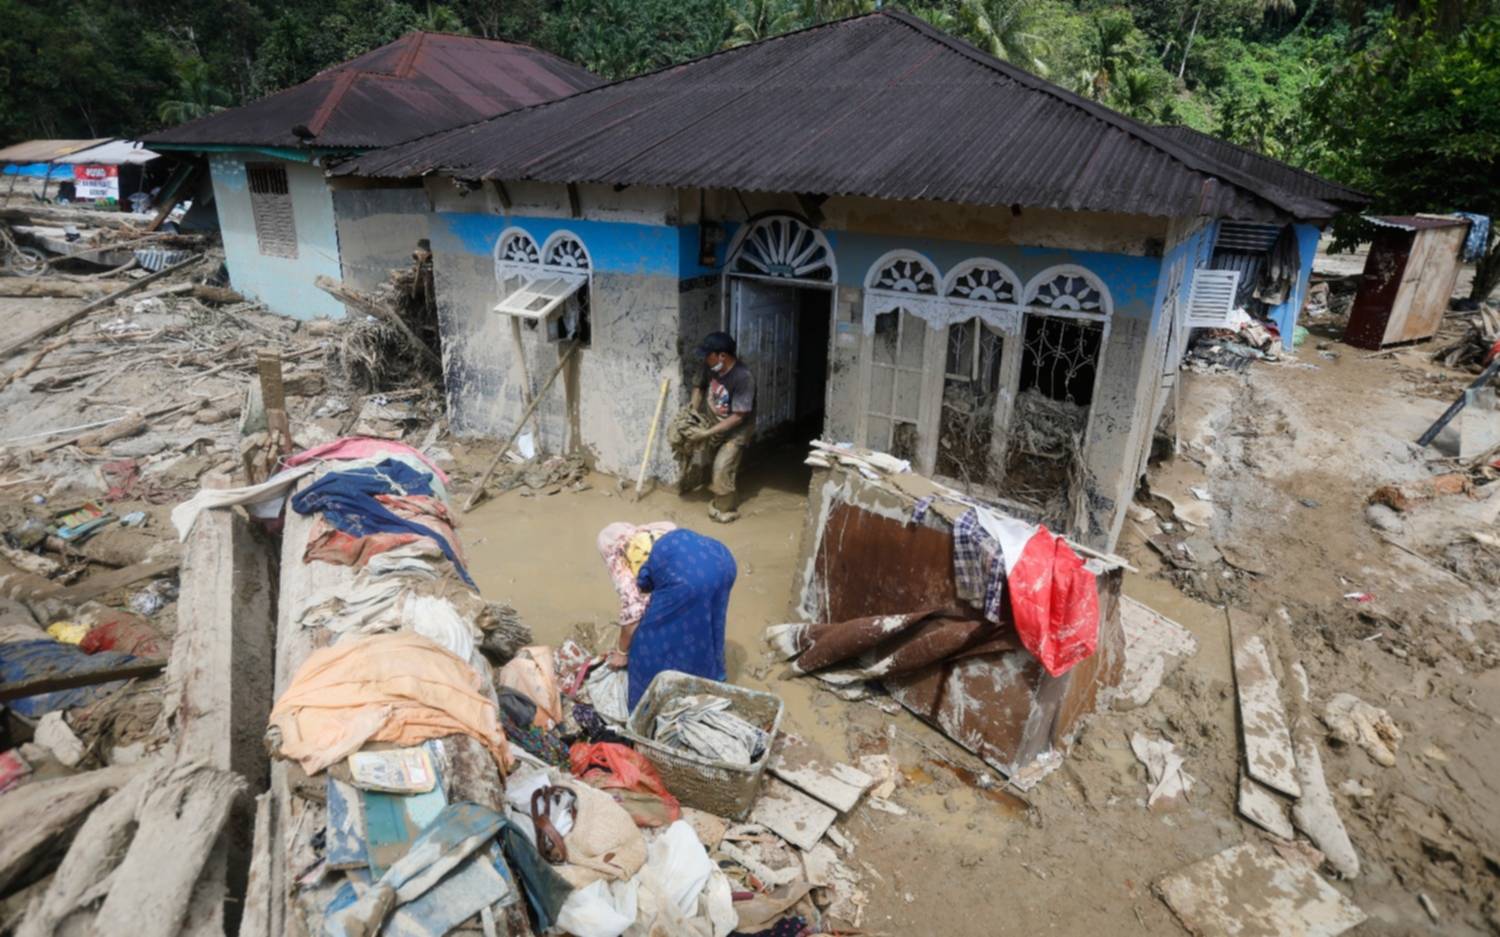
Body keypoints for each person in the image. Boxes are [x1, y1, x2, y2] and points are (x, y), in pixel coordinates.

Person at [596, 523, 737, 710]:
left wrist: (622, 653)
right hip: (723, 560)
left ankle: (646, 708)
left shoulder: (621, 564)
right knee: (703, 626)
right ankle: (707, 683)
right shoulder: (655, 531)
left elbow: (633, 615)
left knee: (647, 642)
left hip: (689, 582)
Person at [683, 331, 755, 523]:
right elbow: (699, 386)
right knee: (716, 466)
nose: (705, 359)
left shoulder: (743, 377)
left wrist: (706, 433)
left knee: (722, 468)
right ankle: (722, 495)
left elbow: (739, 416)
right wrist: (692, 413)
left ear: (722, 355)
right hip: (713, 425)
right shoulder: (710, 366)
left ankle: (725, 511)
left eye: (708, 355)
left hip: (736, 432)